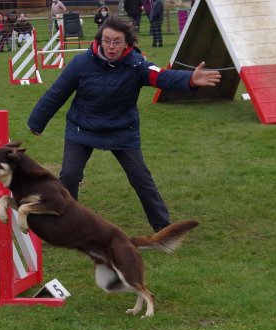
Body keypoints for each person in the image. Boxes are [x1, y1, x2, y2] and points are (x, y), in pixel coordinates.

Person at [27, 16, 221, 232]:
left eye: (117, 41)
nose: (111, 46)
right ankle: (64, 224)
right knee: (69, 175)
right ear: (100, 39)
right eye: (107, 40)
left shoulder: (137, 65)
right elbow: (57, 93)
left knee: (142, 180)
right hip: (82, 128)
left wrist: (190, 79)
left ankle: (164, 229)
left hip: (121, 130)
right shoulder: (81, 63)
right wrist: (37, 121)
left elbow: (161, 77)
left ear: (127, 43)